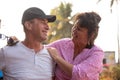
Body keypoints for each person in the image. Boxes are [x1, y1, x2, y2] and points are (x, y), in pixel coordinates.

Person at [0, 7, 56, 80]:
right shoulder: (6, 53)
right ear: (29, 25)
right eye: (43, 22)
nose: (48, 27)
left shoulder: (51, 56)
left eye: (47, 23)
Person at [47, 12, 104, 80]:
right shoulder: (63, 44)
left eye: (79, 29)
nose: (74, 30)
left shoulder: (96, 53)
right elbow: (41, 49)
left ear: (91, 35)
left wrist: (57, 58)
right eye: (74, 26)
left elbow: (79, 74)